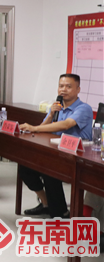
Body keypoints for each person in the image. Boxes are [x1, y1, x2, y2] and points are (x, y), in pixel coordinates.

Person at [19, 74, 93, 218]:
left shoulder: (84, 108)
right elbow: (42, 128)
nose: (63, 89)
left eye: (68, 86)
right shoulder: (57, 107)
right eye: (61, 86)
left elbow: (66, 125)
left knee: (50, 169)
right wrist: (51, 114)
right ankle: (46, 203)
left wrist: (33, 128)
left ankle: (61, 211)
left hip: (76, 157)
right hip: (56, 152)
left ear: (78, 89)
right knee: (25, 167)